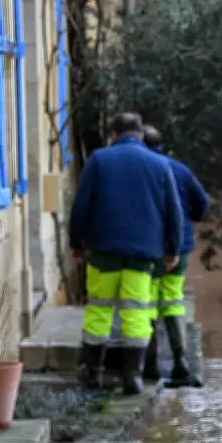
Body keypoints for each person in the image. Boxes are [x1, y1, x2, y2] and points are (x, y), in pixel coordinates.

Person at [69, 112, 184, 395]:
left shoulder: (99, 160)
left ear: (114, 134)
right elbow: (174, 211)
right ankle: (132, 376)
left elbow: (81, 205)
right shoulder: (159, 164)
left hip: (103, 251)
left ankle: (93, 374)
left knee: (99, 311)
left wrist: (76, 242)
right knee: (136, 313)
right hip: (142, 254)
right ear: (141, 134)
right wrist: (173, 249)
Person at [143, 125, 209, 387]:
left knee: (146, 302)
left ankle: (149, 364)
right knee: (172, 299)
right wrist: (189, 220)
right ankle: (181, 363)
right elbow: (202, 203)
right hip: (180, 246)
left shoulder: (143, 170)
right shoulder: (180, 169)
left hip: (149, 246)